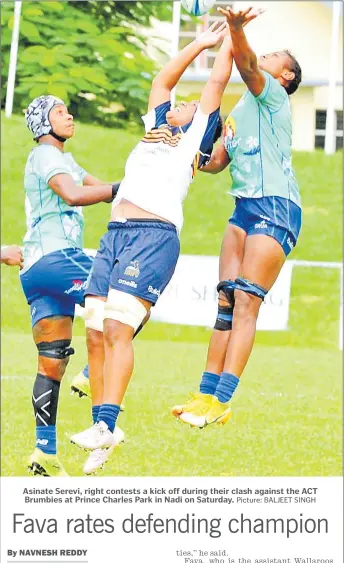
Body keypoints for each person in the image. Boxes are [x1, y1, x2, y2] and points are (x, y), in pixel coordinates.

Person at [70, 19, 252, 474]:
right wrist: (199, 42)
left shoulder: (193, 138)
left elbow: (216, 79)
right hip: (115, 235)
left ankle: (107, 423)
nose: (183, 103)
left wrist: (228, 37)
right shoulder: (156, 125)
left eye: (191, 105)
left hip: (153, 238)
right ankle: (102, 429)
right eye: (181, 103)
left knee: (117, 330)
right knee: (94, 331)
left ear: (200, 124)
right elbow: (162, 80)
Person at [173, 6, 302, 429]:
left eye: (272, 58)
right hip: (244, 206)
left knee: (248, 301)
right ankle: (204, 395)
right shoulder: (241, 108)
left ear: (284, 77)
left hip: (277, 207)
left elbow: (244, 63)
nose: (263, 57)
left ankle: (223, 400)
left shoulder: (273, 95)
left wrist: (235, 26)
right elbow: (216, 163)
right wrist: (188, 154)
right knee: (226, 300)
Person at [20, 95, 123, 476]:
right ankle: (89, 379)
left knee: (51, 361)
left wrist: (130, 188)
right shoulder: (47, 155)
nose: (70, 115)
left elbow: (104, 187)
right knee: (126, 301)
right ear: (43, 124)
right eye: (61, 112)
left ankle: (44, 451)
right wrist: (119, 190)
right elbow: (76, 195)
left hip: (35, 271)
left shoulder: (63, 160)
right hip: (56, 257)